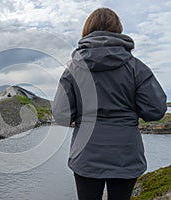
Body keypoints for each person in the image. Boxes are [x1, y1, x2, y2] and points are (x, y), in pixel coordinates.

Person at [52, 8, 167, 200]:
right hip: (126, 155)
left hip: (86, 154)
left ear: (87, 30)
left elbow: (61, 114)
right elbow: (156, 110)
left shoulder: (74, 69)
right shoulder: (136, 67)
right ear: (118, 30)